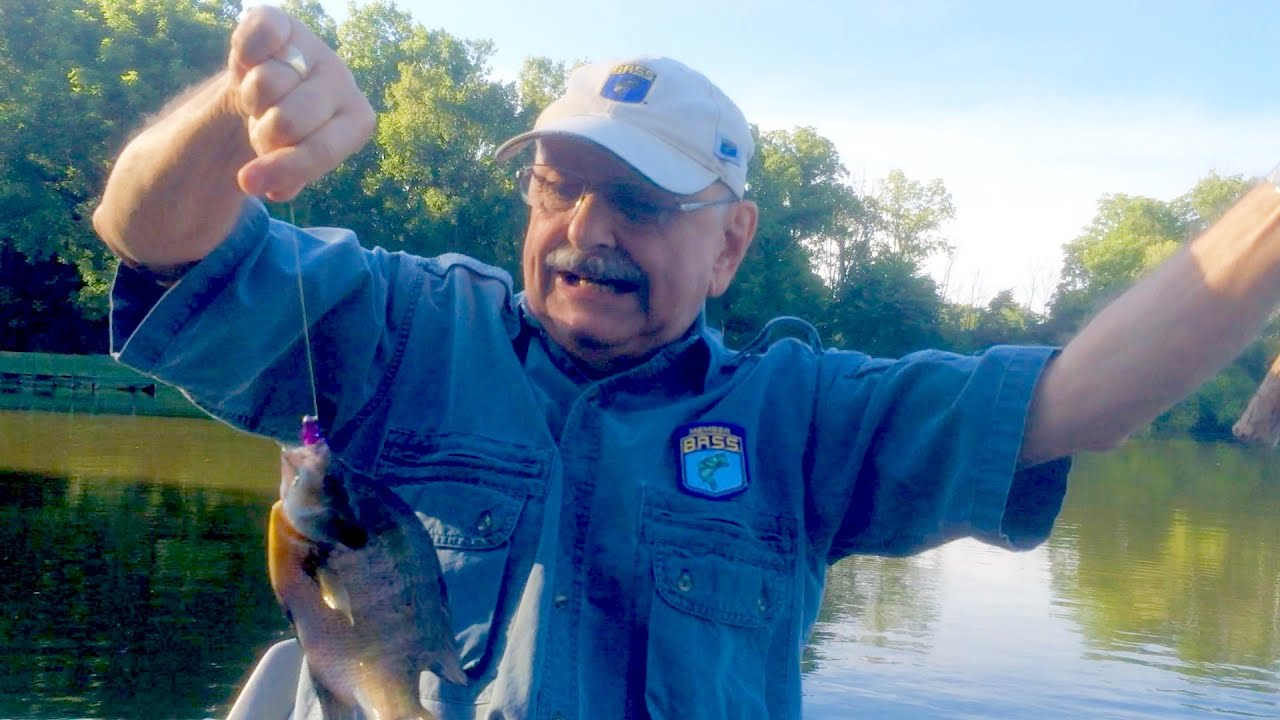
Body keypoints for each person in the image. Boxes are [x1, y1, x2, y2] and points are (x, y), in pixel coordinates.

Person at [92, 7, 1280, 720]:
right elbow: (154, 237)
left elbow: (1080, 397)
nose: (588, 230)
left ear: (731, 242)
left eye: (642, 201)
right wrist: (236, 115)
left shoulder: (805, 417)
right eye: (559, 185)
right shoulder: (402, 331)